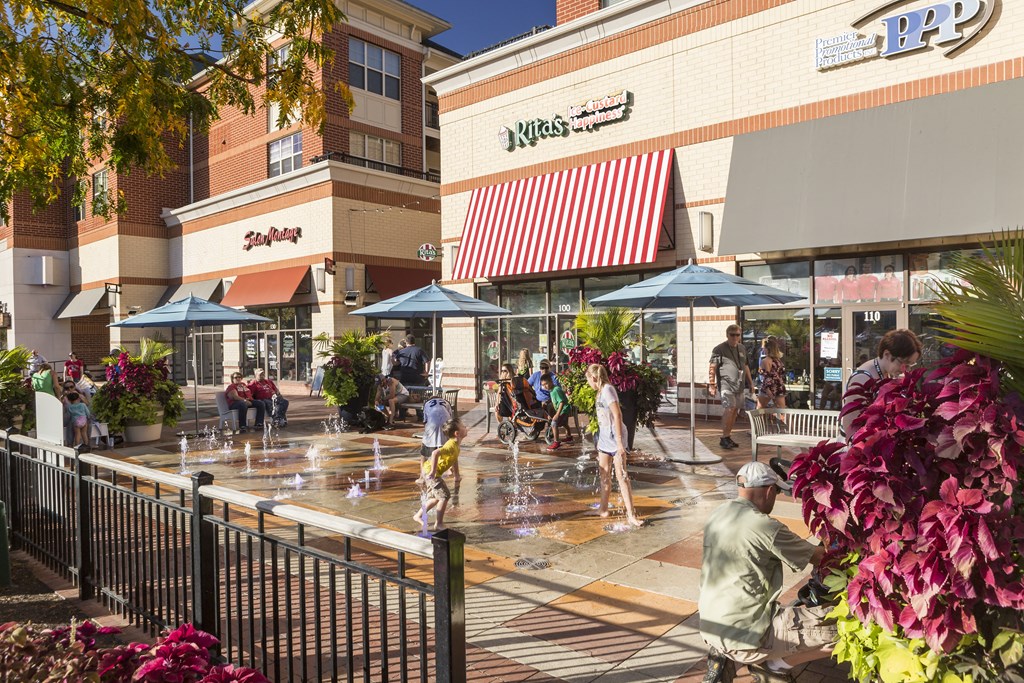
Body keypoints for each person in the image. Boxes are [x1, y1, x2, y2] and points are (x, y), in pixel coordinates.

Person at [700, 462, 836, 683]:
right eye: (778, 491)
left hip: (712, 624)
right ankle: (773, 667)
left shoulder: (718, 513)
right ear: (770, 490)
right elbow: (821, 557)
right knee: (845, 630)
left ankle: (725, 655)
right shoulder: (765, 526)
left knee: (778, 608)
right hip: (747, 634)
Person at [587, 363, 644, 528]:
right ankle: (603, 509)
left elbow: (617, 414)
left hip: (615, 438)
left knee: (622, 476)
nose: (588, 383)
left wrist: (620, 443)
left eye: (588, 380)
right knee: (604, 475)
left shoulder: (607, 390)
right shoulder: (599, 392)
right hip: (605, 439)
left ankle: (631, 515)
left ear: (594, 377)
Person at [841, 329, 922, 439]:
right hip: (857, 447)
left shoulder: (885, 373)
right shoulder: (863, 378)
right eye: (904, 363)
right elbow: (849, 425)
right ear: (887, 354)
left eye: (910, 365)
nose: (905, 370)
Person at [414, 418, 466, 532]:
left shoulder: (456, 445)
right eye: (464, 426)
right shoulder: (451, 445)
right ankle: (438, 524)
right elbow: (435, 452)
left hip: (430, 471)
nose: (466, 427)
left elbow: (452, 459)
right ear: (457, 433)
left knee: (435, 498)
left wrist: (450, 471)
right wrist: (433, 471)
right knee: (444, 496)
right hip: (431, 473)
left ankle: (418, 515)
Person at [708, 325, 755, 450]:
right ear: (727, 335)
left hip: (739, 386)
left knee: (735, 411)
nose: (735, 337)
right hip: (726, 384)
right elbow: (713, 367)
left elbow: (745, 366)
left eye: (737, 335)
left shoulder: (742, 348)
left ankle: (727, 436)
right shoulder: (719, 349)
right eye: (732, 334)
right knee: (730, 408)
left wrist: (751, 383)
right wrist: (711, 384)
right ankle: (724, 437)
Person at [419, 396, 453, 480]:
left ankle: (421, 477)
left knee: (424, 453)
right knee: (447, 448)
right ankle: (450, 468)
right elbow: (450, 418)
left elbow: (425, 421)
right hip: (446, 425)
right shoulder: (446, 402)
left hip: (432, 425)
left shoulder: (427, 404)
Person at [541, 373, 573, 451]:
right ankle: (569, 437)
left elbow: (561, 402)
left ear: (551, 381)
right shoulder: (553, 390)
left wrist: (557, 414)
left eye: (546, 384)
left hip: (564, 410)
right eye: (543, 385)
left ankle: (556, 442)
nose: (545, 386)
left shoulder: (556, 390)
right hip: (565, 409)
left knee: (554, 423)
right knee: (564, 423)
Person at [757, 337, 787, 410]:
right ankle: (788, 421)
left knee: (759, 410)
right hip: (779, 385)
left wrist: (767, 390)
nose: (763, 350)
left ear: (767, 349)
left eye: (763, 348)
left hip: (769, 387)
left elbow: (768, 377)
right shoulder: (778, 361)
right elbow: (780, 374)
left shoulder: (765, 361)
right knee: (782, 410)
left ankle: (759, 421)